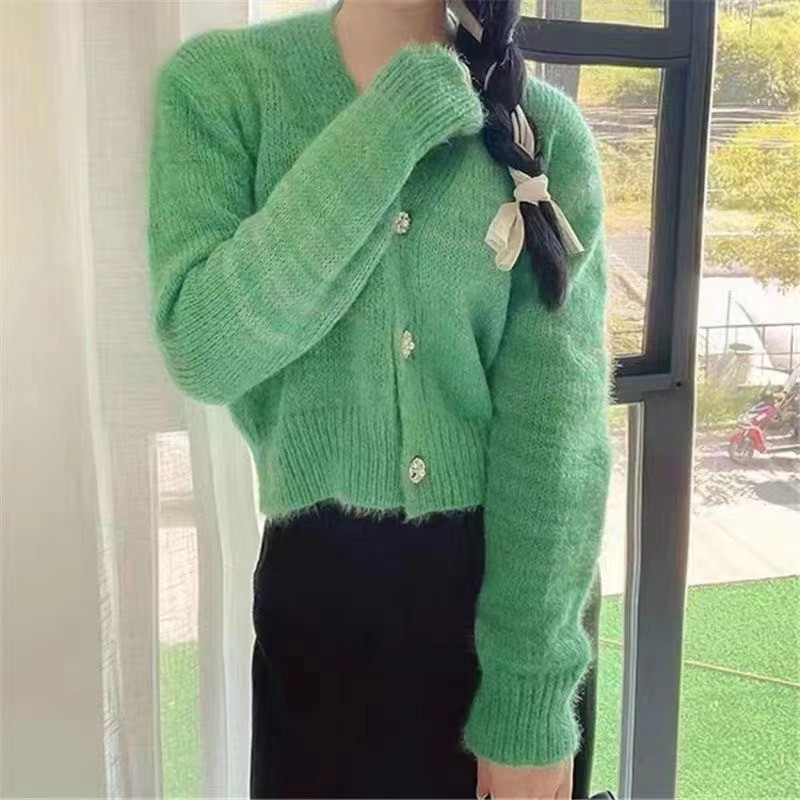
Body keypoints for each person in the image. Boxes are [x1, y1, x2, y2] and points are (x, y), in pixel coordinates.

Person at [146, 0, 614, 797]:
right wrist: (394, 120)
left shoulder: (545, 129)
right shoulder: (221, 87)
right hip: (322, 612)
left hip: (517, 614)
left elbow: (557, 428)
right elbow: (205, 348)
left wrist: (529, 699)